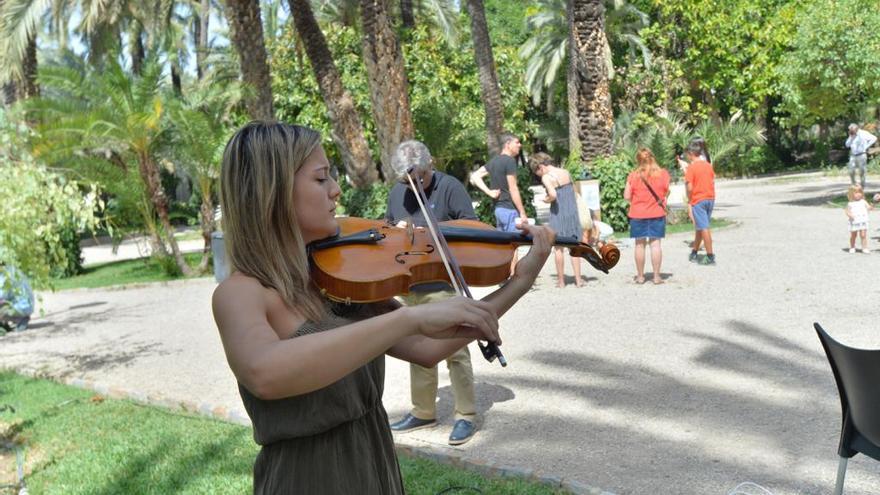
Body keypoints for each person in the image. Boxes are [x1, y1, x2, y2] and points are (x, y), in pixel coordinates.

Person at [212, 121, 555, 493]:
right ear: (272, 192)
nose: (336, 190)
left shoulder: (337, 277)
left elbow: (427, 349)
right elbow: (265, 372)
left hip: (376, 469)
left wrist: (518, 282)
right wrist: (410, 317)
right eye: (321, 178)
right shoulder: (240, 294)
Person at [384, 140, 479, 445]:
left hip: (443, 280)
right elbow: (387, 232)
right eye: (405, 180)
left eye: (419, 178)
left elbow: (471, 228)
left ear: (431, 164)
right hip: (410, 281)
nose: (412, 185)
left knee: (455, 348)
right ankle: (424, 410)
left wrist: (432, 230)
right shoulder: (399, 191)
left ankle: (465, 415)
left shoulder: (450, 187)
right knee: (417, 347)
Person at [470, 133, 529, 275]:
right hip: (509, 209)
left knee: (503, 245)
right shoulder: (509, 161)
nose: (519, 145)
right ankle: (513, 277)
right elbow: (513, 188)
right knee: (513, 245)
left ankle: (502, 275)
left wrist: (489, 192)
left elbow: (475, 176)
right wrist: (522, 212)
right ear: (507, 144)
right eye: (517, 142)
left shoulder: (494, 161)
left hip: (499, 210)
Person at [528, 152, 583, 288]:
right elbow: (574, 191)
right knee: (574, 247)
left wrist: (546, 199)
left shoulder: (546, 177)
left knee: (558, 248)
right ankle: (578, 280)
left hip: (558, 212)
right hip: (571, 212)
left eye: (536, 171)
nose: (537, 175)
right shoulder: (565, 172)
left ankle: (561, 281)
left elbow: (553, 194)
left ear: (540, 167)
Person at [623, 148, 670, 285]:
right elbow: (666, 191)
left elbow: (626, 196)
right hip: (657, 213)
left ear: (638, 160)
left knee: (639, 245)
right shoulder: (663, 174)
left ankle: (640, 276)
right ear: (653, 157)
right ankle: (656, 277)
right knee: (655, 245)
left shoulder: (633, 176)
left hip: (637, 214)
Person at [683, 140, 717, 265]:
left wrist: (690, 200)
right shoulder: (708, 165)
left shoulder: (691, 168)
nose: (687, 156)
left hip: (698, 199)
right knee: (700, 227)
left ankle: (710, 255)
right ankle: (694, 251)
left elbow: (690, 187)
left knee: (704, 227)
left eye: (687, 154)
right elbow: (712, 181)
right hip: (710, 198)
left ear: (691, 153)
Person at [0, 265, 34, 332]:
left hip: (22, 306)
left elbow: (1, 296)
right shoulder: (11, 269)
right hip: (27, 304)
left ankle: (20, 319)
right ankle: (5, 323)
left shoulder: (4, 276)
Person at [845, 124, 877, 190]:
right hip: (853, 156)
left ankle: (862, 187)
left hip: (861, 155)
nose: (851, 131)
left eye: (852, 130)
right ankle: (854, 185)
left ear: (856, 128)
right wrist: (851, 137)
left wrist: (866, 146)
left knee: (862, 171)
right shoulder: (851, 135)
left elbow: (874, 138)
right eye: (850, 130)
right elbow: (847, 145)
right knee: (851, 171)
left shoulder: (863, 133)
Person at [845, 185, 872, 254]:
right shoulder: (850, 203)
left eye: (860, 192)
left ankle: (864, 248)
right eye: (856, 192)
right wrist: (850, 215)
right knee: (854, 235)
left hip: (863, 221)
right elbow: (847, 211)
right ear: (851, 194)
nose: (858, 194)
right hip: (854, 222)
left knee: (863, 235)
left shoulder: (863, 201)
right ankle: (852, 247)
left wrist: (871, 207)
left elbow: (868, 208)